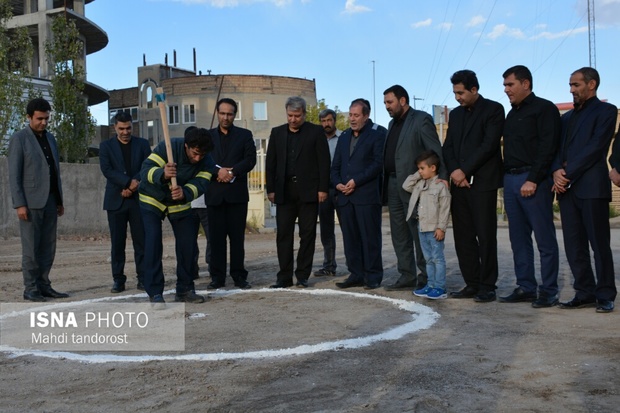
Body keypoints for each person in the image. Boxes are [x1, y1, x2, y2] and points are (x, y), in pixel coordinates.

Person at [552, 67, 617, 313]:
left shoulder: (606, 111)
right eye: (570, 85)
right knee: (574, 245)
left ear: (592, 85)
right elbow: (556, 148)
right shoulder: (566, 118)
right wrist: (556, 170)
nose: (572, 90)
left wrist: (566, 174)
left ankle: (605, 294)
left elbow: (595, 147)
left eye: (576, 84)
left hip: (591, 188)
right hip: (567, 191)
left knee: (599, 245)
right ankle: (585, 292)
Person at [499, 65, 561, 307]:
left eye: (510, 85)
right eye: (504, 85)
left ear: (525, 84)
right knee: (518, 238)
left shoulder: (545, 109)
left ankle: (549, 290)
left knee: (544, 238)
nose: (506, 90)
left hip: (533, 180)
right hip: (511, 180)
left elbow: (548, 147)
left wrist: (533, 179)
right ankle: (526, 286)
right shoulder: (511, 113)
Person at [442, 70, 505, 303]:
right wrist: (455, 173)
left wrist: (464, 170)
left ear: (474, 89)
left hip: (483, 182)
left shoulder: (494, 110)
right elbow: (448, 147)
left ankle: (487, 285)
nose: (457, 97)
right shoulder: (456, 115)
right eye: (455, 93)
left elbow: (488, 146)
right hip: (459, 184)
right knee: (463, 235)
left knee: (485, 234)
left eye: (461, 92)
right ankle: (472, 282)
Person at [138, 127, 215, 304]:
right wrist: (162, 174)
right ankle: (155, 292)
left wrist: (185, 192)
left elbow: (202, 182)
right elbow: (145, 170)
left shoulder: (207, 159)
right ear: (186, 146)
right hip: (152, 199)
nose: (198, 158)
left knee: (187, 245)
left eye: (201, 155)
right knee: (153, 242)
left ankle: (185, 289)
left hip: (179, 202)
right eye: (195, 153)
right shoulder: (168, 147)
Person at [382, 84, 447, 291]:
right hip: (393, 184)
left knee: (419, 232)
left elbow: (435, 151)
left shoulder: (421, 119)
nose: (386, 106)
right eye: (385, 103)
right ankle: (406, 275)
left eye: (389, 102)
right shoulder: (392, 124)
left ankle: (427, 276)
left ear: (402, 101)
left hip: (417, 188)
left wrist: (441, 178)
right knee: (399, 233)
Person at [266, 96, 331, 288]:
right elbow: (271, 164)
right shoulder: (277, 133)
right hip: (284, 193)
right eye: (290, 115)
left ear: (304, 114)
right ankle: (284, 277)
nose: (293, 119)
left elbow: (324, 162)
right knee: (283, 235)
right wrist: (271, 189)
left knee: (307, 234)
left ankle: (302, 275)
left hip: (309, 193)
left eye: (297, 116)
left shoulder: (316, 132)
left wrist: (322, 188)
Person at [8, 97, 69, 302]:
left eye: (46, 118)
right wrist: (20, 204)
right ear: (29, 117)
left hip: (51, 201)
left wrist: (59, 200)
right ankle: (31, 288)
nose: (43, 122)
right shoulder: (19, 138)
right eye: (39, 118)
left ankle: (44, 284)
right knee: (31, 249)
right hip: (30, 203)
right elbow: (14, 175)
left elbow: (54, 171)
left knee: (48, 247)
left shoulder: (51, 138)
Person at [332, 100, 386, 289]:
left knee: (369, 237)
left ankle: (372, 276)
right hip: (345, 198)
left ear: (366, 115)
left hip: (366, 196)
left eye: (356, 115)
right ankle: (356, 274)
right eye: (350, 115)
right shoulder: (344, 136)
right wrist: (337, 183)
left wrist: (356, 181)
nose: (352, 119)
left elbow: (378, 164)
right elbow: (336, 165)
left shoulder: (378, 134)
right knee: (350, 238)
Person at [206, 98, 257, 290]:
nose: (225, 117)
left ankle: (239, 276)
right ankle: (217, 277)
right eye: (222, 113)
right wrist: (218, 171)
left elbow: (251, 159)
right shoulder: (207, 136)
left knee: (237, 239)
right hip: (215, 195)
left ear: (235, 115)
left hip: (237, 196)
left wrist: (232, 172)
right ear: (217, 113)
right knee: (216, 239)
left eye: (229, 114)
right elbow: (202, 160)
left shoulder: (244, 135)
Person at [99, 112, 151, 293]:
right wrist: (127, 183)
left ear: (132, 126)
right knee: (117, 243)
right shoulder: (106, 146)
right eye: (121, 128)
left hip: (138, 200)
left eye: (128, 128)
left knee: (141, 241)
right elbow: (107, 170)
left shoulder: (143, 144)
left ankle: (143, 278)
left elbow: (147, 166)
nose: (125, 132)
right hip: (116, 200)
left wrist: (133, 185)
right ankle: (118, 279)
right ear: (115, 127)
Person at [403, 151, 451, 299]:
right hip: (422, 227)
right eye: (419, 168)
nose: (420, 171)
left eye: (422, 168)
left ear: (433, 168)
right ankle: (430, 285)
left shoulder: (440, 186)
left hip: (434, 229)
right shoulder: (419, 183)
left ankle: (440, 287)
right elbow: (406, 185)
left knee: (437, 258)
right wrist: (419, 174)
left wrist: (441, 228)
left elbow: (445, 209)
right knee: (428, 258)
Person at [314, 108, 342, 277]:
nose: (326, 124)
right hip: (323, 190)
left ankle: (356, 265)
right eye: (323, 121)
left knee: (348, 228)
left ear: (335, 120)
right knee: (326, 229)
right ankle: (329, 265)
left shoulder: (343, 138)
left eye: (329, 120)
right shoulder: (317, 139)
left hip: (340, 189)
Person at [185, 126, 211, 280]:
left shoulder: (205, 158)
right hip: (188, 205)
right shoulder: (181, 158)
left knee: (211, 238)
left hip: (205, 204)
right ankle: (191, 268)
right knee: (189, 239)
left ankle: (211, 265)